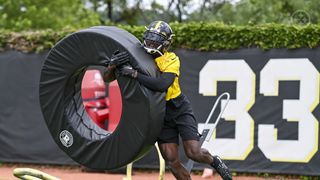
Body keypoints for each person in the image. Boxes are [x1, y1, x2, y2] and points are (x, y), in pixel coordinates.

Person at [104, 21, 232, 180]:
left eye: (155, 40)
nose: (151, 42)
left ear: (165, 43)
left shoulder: (171, 59)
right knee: (172, 160)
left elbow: (162, 84)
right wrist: (112, 66)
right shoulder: (136, 55)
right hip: (158, 112)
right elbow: (107, 79)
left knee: (194, 152)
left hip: (177, 107)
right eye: (149, 38)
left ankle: (215, 161)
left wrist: (134, 74)